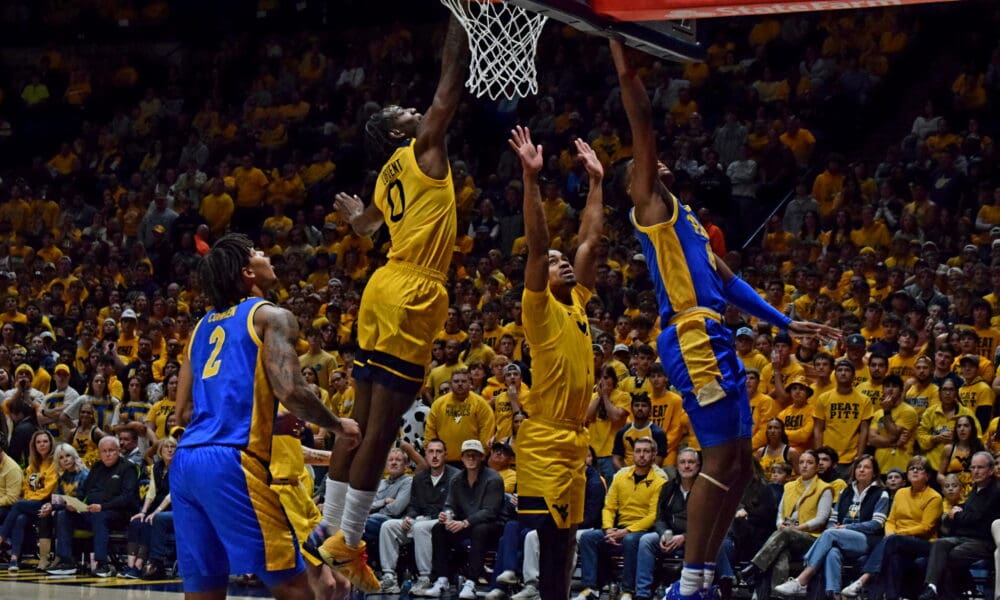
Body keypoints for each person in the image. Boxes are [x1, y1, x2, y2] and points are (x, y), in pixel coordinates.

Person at [611, 40, 839, 600]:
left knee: (740, 461)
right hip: (689, 334)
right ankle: (689, 583)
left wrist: (786, 323)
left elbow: (730, 282)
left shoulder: (686, 218)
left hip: (712, 330)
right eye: (643, 166)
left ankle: (706, 575)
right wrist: (624, 62)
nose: (654, 164)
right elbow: (643, 124)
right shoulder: (650, 208)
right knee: (718, 457)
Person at [316, 13, 468, 594]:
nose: (416, 112)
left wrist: (357, 220)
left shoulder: (386, 177)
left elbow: (367, 226)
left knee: (355, 419)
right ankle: (349, 541)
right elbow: (449, 85)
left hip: (380, 287)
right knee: (379, 429)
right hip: (415, 290)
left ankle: (327, 528)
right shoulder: (426, 150)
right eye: (405, 114)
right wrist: (463, 18)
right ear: (400, 133)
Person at [170, 233, 360, 600]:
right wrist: (337, 425)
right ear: (247, 273)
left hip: (186, 462)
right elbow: (291, 390)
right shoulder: (270, 316)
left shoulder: (199, 329)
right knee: (293, 586)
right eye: (256, 252)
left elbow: (183, 412)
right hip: (232, 461)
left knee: (204, 590)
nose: (264, 253)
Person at [503, 126, 606, 599]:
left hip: (574, 438)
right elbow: (540, 245)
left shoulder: (578, 302)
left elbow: (589, 241)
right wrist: (531, 180)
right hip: (543, 436)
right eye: (555, 262)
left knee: (565, 541)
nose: (563, 262)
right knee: (548, 538)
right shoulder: (539, 309)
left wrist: (597, 184)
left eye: (565, 261)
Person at [772, 454, 889, 597]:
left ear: (875, 473)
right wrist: (835, 528)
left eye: (866, 467)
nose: (862, 470)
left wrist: (846, 528)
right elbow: (833, 519)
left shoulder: (881, 493)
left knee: (829, 534)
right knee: (832, 552)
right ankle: (834, 594)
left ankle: (802, 579)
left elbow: (876, 524)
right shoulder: (845, 492)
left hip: (866, 540)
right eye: (859, 467)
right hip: (841, 538)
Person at [422, 439, 505, 599]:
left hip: (492, 525)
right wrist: (447, 516)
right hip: (465, 524)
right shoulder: (457, 479)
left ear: (482, 457)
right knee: (439, 528)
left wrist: (464, 523)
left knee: (479, 530)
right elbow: (449, 505)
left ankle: (472, 582)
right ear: (462, 457)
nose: (471, 458)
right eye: (468, 455)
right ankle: (442, 579)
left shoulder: (493, 479)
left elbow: (490, 511)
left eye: (475, 455)